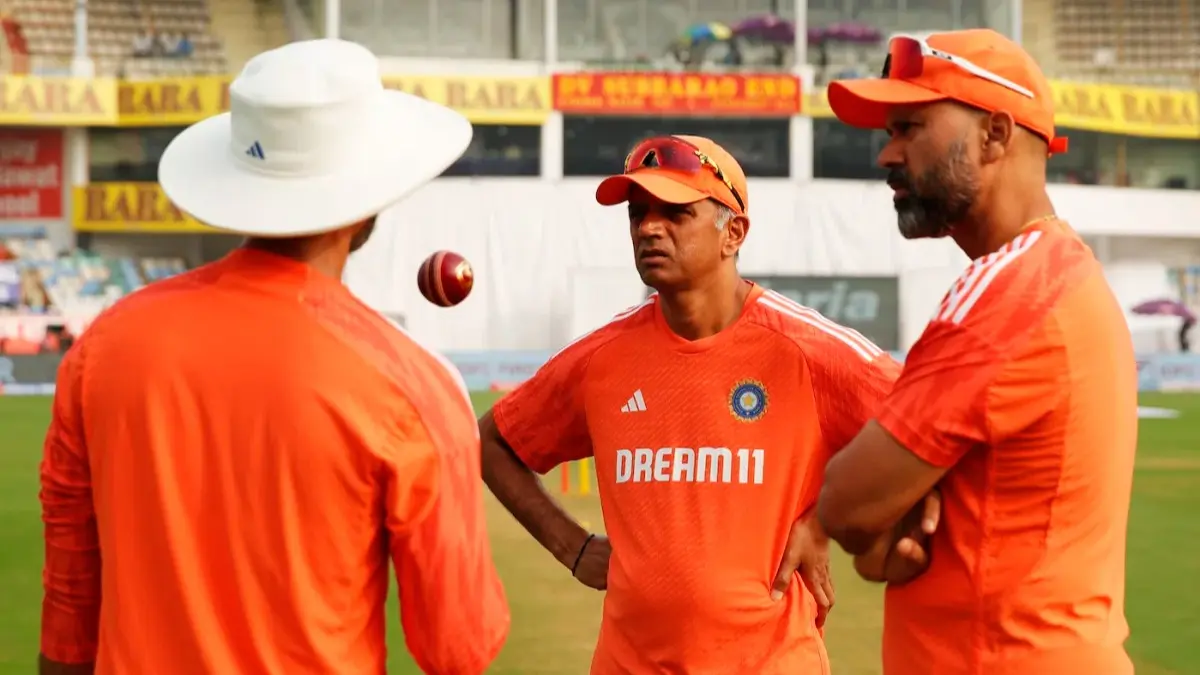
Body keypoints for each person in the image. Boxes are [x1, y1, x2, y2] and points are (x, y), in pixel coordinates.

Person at [37, 39, 509, 675]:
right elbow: (459, 646)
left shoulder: (105, 343)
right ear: (368, 202)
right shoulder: (411, 386)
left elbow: (68, 621)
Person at [479, 135, 902, 673]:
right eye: (638, 213)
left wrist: (825, 520)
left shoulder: (807, 349)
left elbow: (927, 427)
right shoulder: (601, 358)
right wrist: (573, 547)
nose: (649, 227)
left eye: (676, 212)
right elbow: (491, 442)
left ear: (734, 233)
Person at [815, 29, 1138, 674]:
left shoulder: (1007, 294)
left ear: (994, 134)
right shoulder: (1058, 271)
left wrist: (882, 518)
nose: (887, 155)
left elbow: (845, 507)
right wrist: (898, 513)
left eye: (910, 127)